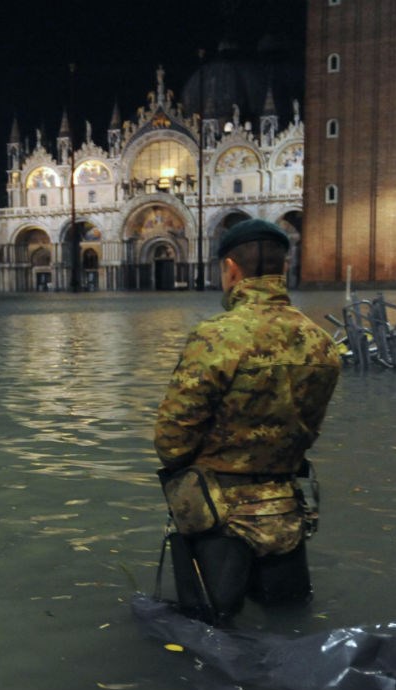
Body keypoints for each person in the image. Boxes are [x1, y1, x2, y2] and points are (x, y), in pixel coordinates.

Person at [154, 219, 341, 624]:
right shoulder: (320, 342)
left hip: (219, 518)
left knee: (209, 632)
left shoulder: (215, 337)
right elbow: (309, 429)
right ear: (284, 269)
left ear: (231, 269)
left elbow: (171, 439)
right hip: (287, 512)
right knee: (288, 620)